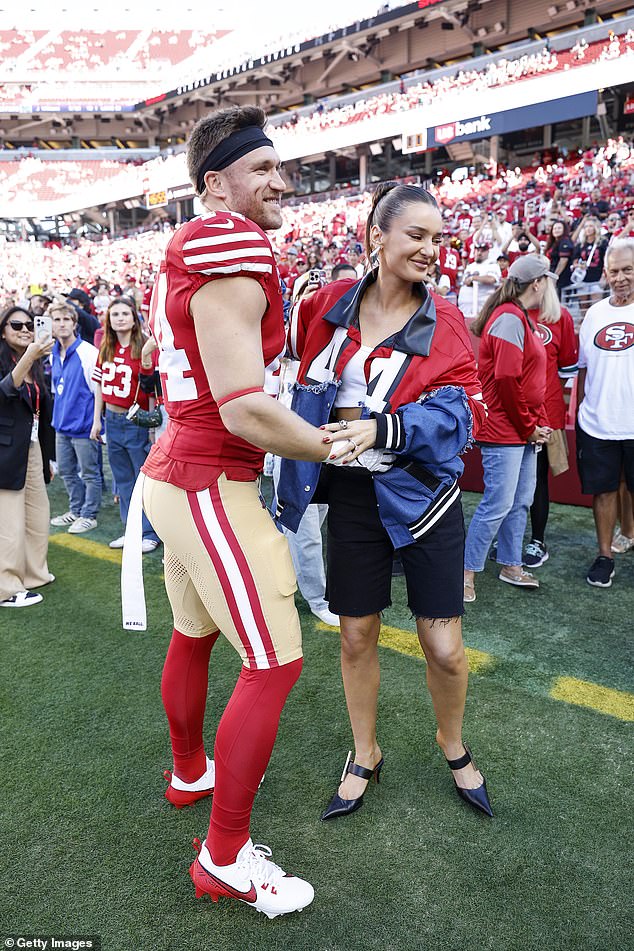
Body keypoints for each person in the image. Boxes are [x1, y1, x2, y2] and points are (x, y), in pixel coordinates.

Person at [137, 106, 347, 919]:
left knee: (194, 635)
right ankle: (225, 856)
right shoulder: (227, 239)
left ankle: (191, 769)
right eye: (261, 169)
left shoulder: (199, 247)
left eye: (279, 166)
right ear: (214, 183)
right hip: (208, 478)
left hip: (176, 471)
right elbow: (243, 409)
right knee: (275, 661)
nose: (281, 181)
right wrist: (336, 448)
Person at [276, 182, 492, 822]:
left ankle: (451, 743)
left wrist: (383, 428)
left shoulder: (446, 319)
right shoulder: (323, 307)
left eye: (438, 239)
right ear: (378, 235)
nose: (432, 249)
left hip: (426, 499)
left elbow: (462, 415)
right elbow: (274, 359)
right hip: (349, 497)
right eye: (417, 235)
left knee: (445, 647)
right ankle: (364, 751)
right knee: (356, 635)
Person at [463, 256, 554, 602]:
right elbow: (505, 379)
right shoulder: (509, 318)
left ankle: (510, 563)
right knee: (498, 503)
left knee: (520, 501)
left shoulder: (517, 318)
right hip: (506, 429)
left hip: (521, 429)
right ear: (537, 283)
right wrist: (531, 426)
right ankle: (466, 571)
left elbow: (529, 380)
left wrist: (537, 423)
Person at [576, 238, 634, 587]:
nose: (620, 277)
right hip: (598, 422)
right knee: (604, 491)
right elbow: (583, 368)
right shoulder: (594, 314)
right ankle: (604, 555)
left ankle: (628, 534)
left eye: (628, 269)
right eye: (614, 271)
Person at [90, 297, 160, 553]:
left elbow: (151, 390)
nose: (119, 318)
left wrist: (152, 427)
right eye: (114, 314)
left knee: (142, 479)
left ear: (134, 318)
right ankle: (131, 530)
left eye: (124, 313)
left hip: (135, 420)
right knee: (123, 480)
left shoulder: (143, 346)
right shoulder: (105, 346)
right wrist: (97, 419)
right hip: (112, 420)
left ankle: (150, 532)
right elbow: (99, 386)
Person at [0, 307, 55, 607]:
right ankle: (7, 588)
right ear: (3, 330)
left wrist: (48, 458)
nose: (24, 329)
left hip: (31, 446)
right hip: (5, 448)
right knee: (8, 521)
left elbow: (42, 411)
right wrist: (29, 356)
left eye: (29, 324)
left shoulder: (35, 363)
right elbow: (5, 391)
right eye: (16, 324)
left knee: (37, 513)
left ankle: (34, 573)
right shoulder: (22, 360)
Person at [523, 289, 578, 567]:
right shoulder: (510, 313)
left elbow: (567, 370)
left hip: (545, 414)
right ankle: (511, 534)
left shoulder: (561, 316)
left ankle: (537, 539)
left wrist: (544, 401)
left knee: (538, 479)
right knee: (512, 482)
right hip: (512, 414)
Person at [49, 302, 102, 534]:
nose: (61, 324)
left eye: (66, 319)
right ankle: (76, 509)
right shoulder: (52, 353)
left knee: (90, 473)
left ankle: (89, 515)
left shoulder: (88, 352)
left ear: (74, 323)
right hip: (61, 425)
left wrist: (96, 422)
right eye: (57, 320)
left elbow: (97, 389)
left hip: (83, 426)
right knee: (67, 471)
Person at [457, 241, 501, 319]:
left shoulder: (492, 265)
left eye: (482, 250)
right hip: (465, 305)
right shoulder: (470, 266)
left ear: (488, 252)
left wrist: (473, 278)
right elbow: (465, 282)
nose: (479, 253)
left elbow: (491, 279)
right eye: (477, 250)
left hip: (482, 305)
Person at [546, 220, 574, 296]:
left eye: (559, 228)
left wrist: (554, 277)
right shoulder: (554, 242)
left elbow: (563, 261)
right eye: (554, 228)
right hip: (552, 273)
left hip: (561, 278)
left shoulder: (565, 241)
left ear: (564, 230)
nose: (556, 230)